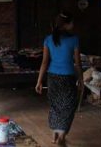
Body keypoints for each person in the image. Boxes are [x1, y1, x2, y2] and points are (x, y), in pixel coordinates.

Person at [35, 11, 83, 145]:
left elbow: (44, 62)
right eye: (72, 22)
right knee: (68, 106)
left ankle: (55, 134)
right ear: (67, 24)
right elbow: (78, 63)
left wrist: (39, 81)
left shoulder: (49, 39)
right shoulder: (74, 39)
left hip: (53, 77)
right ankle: (61, 135)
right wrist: (81, 80)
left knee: (55, 105)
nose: (73, 25)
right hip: (68, 77)